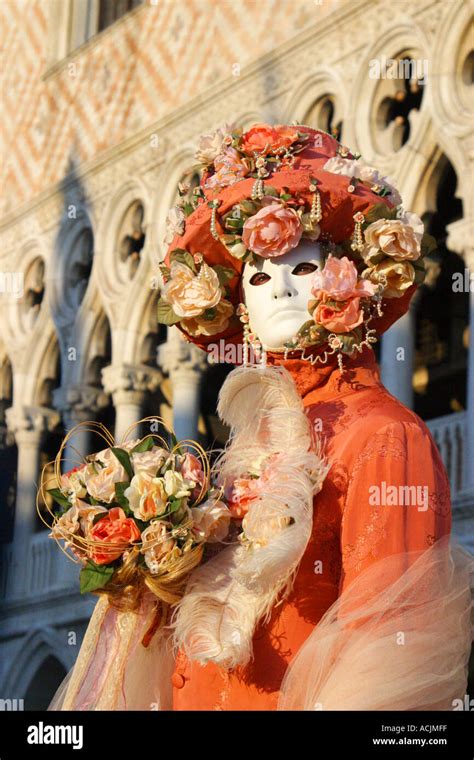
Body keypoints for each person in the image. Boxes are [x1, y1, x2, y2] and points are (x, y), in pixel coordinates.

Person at [50, 123, 472, 711]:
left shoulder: (384, 435)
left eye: (301, 268)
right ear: (239, 304)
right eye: (257, 275)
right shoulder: (250, 447)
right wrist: (153, 568)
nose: (277, 290)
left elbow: (390, 652)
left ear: (349, 278)